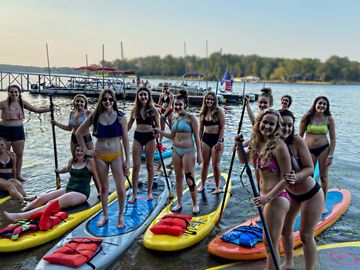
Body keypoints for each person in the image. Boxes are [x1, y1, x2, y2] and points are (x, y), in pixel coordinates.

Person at [236, 109, 291, 270]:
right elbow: (242, 159)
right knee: (269, 244)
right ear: (259, 122)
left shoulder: (279, 146)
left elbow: (287, 178)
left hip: (277, 198)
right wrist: (239, 144)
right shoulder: (258, 142)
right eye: (264, 122)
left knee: (270, 243)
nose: (267, 126)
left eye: (271, 124)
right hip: (264, 197)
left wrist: (268, 198)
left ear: (276, 127)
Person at [76, 89, 130, 228]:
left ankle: (120, 216)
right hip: (100, 156)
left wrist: (128, 160)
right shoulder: (95, 115)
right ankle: (105, 215)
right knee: (104, 188)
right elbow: (79, 132)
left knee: (120, 188)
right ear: (101, 100)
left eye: (110, 99)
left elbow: (125, 139)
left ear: (114, 101)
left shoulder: (120, 116)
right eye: (105, 99)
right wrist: (86, 151)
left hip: (117, 155)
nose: (107, 102)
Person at [4, 144, 97, 221]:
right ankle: (22, 211)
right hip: (69, 189)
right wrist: (59, 171)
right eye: (77, 150)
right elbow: (67, 169)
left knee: (52, 203)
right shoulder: (72, 161)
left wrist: (102, 191)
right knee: (42, 198)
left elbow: (97, 178)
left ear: (85, 152)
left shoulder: (90, 163)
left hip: (81, 193)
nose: (79, 153)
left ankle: (21, 217)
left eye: (81, 151)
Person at [280, 109, 324, 270]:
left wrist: (297, 177)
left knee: (306, 236)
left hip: (311, 194)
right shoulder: (273, 143)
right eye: (283, 125)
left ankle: (309, 269)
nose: (286, 129)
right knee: (285, 230)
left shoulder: (297, 141)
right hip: (291, 194)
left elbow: (310, 168)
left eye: (290, 126)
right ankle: (289, 262)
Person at [155, 89, 202, 214]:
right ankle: (179, 203)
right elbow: (171, 136)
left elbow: (197, 137)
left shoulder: (191, 118)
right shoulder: (174, 118)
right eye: (175, 104)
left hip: (188, 151)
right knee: (178, 178)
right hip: (176, 150)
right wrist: (159, 131)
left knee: (189, 178)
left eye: (180, 104)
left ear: (185, 105)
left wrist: (200, 154)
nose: (177, 107)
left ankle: (195, 204)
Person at [0, 85, 51, 181]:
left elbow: (36, 110)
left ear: (19, 93)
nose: (14, 94)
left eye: (16, 92)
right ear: (8, 93)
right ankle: (4, 175)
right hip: (4, 131)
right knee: (3, 153)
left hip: (18, 131)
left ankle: (18, 175)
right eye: (11, 92)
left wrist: (49, 109)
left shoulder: (22, 103)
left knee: (19, 154)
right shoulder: (3, 103)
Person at [299, 96, 335, 212]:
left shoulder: (329, 119)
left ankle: (322, 204)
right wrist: (297, 153)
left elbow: (333, 139)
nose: (322, 106)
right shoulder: (307, 117)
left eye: (324, 104)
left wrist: (330, 156)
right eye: (320, 103)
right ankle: (307, 201)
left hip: (324, 149)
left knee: (323, 177)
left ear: (327, 106)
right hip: (308, 150)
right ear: (315, 104)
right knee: (308, 177)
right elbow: (300, 136)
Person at [127, 87, 159, 203]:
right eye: (141, 95)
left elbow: (158, 126)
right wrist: (120, 135)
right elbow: (129, 126)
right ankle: (134, 194)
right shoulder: (135, 110)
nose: (143, 97)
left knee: (149, 166)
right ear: (138, 97)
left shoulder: (153, 109)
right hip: (138, 137)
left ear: (148, 96)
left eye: (145, 95)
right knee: (136, 167)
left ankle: (149, 192)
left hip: (150, 138)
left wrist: (157, 134)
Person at [197, 91, 225, 193]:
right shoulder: (203, 112)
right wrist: (199, 141)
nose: (210, 101)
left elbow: (222, 128)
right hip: (206, 139)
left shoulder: (218, 111)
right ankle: (202, 185)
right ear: (205, 100)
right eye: (208, 99)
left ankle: (217, 187)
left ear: (215, 101)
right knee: (205, 164)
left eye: (212, 99)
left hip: (217, 139)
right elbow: (200, 129)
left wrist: (220, 141)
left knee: (215, 165)